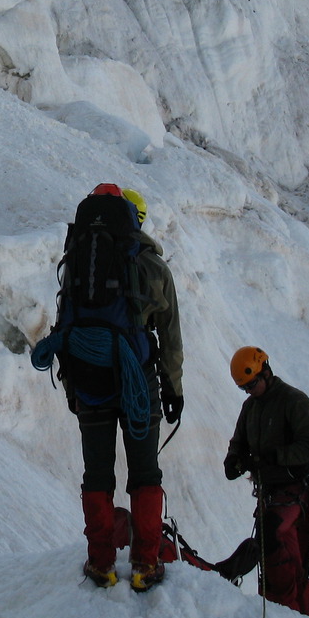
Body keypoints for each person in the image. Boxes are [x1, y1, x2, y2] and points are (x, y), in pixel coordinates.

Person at [32, 184, 184, 591]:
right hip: (138, 382)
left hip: (90, 381)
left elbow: (66, 324)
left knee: (96, 475)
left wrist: (73, 391)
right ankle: (144, 564)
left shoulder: (78, 261)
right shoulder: (151, 266)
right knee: (145, 472)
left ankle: (101, 563)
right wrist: (173, 391)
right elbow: (170, 336)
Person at [221, 347, 309, 616]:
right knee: (278, 555)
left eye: (252, 384)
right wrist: (234, 459)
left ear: (265, 371)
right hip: (271, 495)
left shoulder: (294, 402)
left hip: (296, 492)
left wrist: (274, 457)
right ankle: (296, 616)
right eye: (244, 387)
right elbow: (239, 442)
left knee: (278, 547)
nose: (249, 391)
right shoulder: (251, 408)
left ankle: (289, 614)